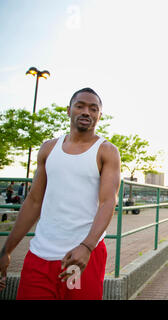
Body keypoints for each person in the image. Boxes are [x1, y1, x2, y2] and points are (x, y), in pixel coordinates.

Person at [0, 87, 121, 300]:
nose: (86, 112)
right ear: (68, 110)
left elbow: (108, 202)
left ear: (99, 116)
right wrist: (6, 251)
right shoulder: (48, 149)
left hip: (81, 257)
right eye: (80, 106)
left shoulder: (106, 151)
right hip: (40, 256)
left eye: (93, 109)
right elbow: (34, 201)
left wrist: (87, 246)